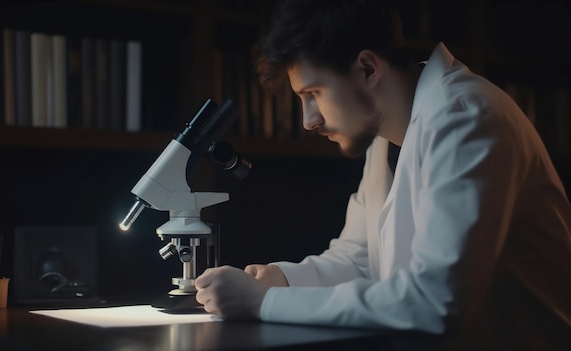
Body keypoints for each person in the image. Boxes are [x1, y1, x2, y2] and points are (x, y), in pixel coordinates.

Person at [194, 0, 571, 349]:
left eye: (315, 92)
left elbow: (435, 300)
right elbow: (359, 260)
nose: (309, 120)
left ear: (368, 69)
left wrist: (266, 303)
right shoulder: (386, 138)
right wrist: (279, 278)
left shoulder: (467, 117)